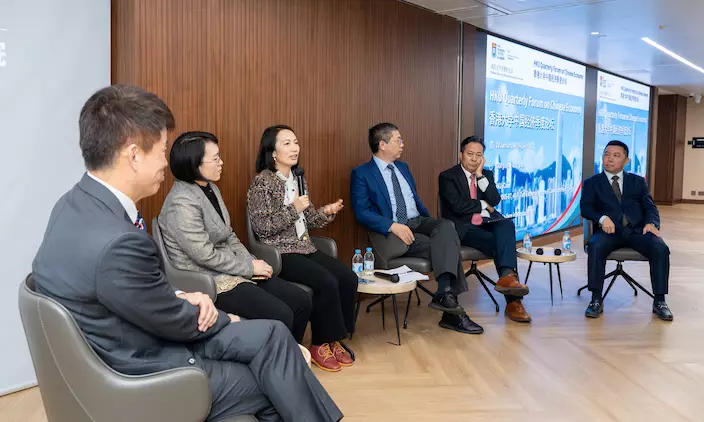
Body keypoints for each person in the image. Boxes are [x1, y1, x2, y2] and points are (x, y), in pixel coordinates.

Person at [31, 85, 343, 422]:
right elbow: (170, 319)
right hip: (148, 368)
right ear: (134, 155)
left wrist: (180, 295)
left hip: (130, 337)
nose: (165, 163)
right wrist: (227, 318)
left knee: (274, 335)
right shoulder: (118, 241)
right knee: (278, 378)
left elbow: (128, 291)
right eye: (161, 150)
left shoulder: (73, 204)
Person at [159, 131, 312, 343]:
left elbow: (228, 234)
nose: (221, 163)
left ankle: (290, 354)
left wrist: (251, 262)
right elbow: (204, 255)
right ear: (193, 163)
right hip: (207, 278)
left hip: (233, 269)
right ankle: (276, 359)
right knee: (281, 313)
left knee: (301, 301)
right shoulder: (181, 202)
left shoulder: (211, 188)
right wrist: (249, 268)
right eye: (215, 159)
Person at [351, 122, 483, 335]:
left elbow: (414, 201)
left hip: (419, 221)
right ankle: (452, 311)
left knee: (446, 227)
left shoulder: (403, 167)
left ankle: (444, 294)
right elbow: (362, 212)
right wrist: (392, 225)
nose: (402, 144)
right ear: (382, 144)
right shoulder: (362, 173)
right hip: (395, 231)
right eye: (398, 140)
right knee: (446, 245)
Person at [247, 125, 357, 372]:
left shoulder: (298, 179)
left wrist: (326, 212)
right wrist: (294, 208)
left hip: (304, 247)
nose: (294, 148)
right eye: (286, 143)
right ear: (272, 151)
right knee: (326, 282)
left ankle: (335, 337)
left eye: (295, 142)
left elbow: (307, 220)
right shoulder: (262, 182)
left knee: (348, 278)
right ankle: (319, 344)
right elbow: (263, 228)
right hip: (279, 252)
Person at [438, 136, 531, 322]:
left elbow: (495, 200)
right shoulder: (448, 176)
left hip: (486, 225)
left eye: (478, 155)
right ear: (461, 155)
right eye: (470, 154)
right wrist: (483, 204)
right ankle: (513, 301)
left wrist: (479, 176)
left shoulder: (486, 175)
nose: (474, 159)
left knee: (506, 224)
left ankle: (507, 279)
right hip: (464, 228)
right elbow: (458, 206)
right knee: (503, 244)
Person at [581, 140, 673, 321]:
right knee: (595, 246)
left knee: (660, 248)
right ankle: (596, 299)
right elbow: (586, 208)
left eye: (616, 155)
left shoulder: (638, 181)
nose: (609, 159)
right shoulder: (592, 183)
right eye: (606, 154)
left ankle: (660, 301)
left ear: (626, 160)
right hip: (609, 232)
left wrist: (652, 223)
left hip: (637, 231)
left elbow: (650, 206)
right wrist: (602, 218)